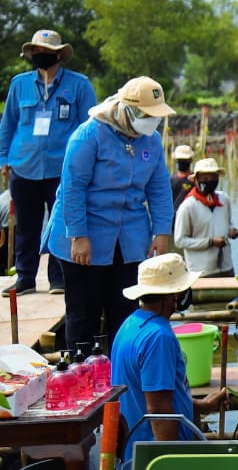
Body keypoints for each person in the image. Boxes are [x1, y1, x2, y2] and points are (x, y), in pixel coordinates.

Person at [44, 75, 175, 353]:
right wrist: (78, 235)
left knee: (125, 309)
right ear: (127, 109)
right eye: (146, 115)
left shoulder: (151, 141)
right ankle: (81, 375)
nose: (151, 122)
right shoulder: (89, 135)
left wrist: (162, 231)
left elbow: (160, 187)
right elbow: (72, 188)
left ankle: (121, 378)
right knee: (84, 312)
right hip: (84, 232)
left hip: (129, 236)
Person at [0, 29, 97, 295]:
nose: (40, 55)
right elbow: (7, 124)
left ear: (58, 54)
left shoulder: (79, 84)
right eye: (36, 51)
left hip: (63, 170)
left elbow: (91, 128)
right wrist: (3, 159)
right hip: (23, 167)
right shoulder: (19, 84)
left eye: (45, 52)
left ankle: (58, 278)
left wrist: (87, 166)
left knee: (62, 224)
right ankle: (25, 278)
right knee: (26, 227)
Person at [114, 252, 228, 458]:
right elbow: (158, 411)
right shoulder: (159, 337)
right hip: (151, 455)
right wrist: (171, 460)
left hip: (132, 451)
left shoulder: (130, 325)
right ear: (171, 296)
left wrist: (201, 406)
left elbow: (150, 393)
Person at [173, 157, 238, 278]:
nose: (209, 181)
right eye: (205, 178)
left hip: (226, 267)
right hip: (201, 271)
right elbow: (180, 240)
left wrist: (232, 231)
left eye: (213, 177)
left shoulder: (224, 199)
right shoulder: (188, 206)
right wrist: (209, 242)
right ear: (196, 180)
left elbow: (227, 224)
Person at [170, 144, 195, 209]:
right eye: (180, 160)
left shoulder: (196, 179)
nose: (183, 162)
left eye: (185, 160)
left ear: (190, 160)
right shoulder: (171, 180)